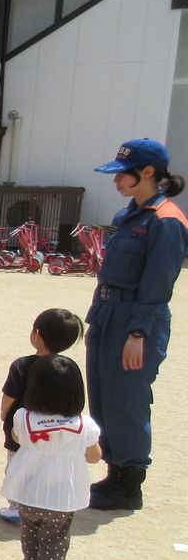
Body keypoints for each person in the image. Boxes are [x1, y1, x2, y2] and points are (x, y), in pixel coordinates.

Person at [84, 138, 188, 511]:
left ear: (147, 173)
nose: (116, 181)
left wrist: (138, 334)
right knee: (102, 395)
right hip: (109, 315)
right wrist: (95, 319)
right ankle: (114, 474)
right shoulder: (126, 216)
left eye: (122, 175)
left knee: (127, 400)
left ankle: (129, 484)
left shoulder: (166, 221)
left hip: (135, 322)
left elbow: (158, 285)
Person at [0, 356, 101, 560]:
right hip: (60, 498)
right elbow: (94, 457)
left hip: (27, 494)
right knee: (55, 541)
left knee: (30, 535)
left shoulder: (24, 417)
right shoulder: (84, 425)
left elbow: (17, 437)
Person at [0, 309, 85, 524]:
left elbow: (9, 396)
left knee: (17, 466)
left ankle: (17, 507)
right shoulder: (67, 368)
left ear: (37, 333)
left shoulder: (21, 365)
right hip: (56, 430)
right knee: (47, 467)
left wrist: (4, 413)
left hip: (23, 428)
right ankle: (44, 504)